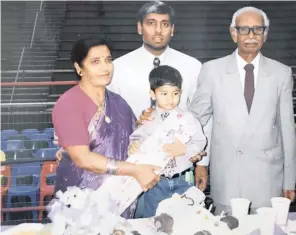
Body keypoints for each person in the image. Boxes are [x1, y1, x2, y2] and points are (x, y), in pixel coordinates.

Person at [188, 6, 296, 214]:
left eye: (257, 29)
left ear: (265, 34)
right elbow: (194, 121)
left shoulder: (281, 73)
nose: (251, 35)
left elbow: (287, 131)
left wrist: (289, 181)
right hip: (229, 177)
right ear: (233, 33)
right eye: (244, 29)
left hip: (268, 179)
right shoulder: (212, 71)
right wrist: (157, 121)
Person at [108, 1, 211, 217]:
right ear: (140, 27)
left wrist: (202, 162)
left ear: (172, 29)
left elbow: (203, 119)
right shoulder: (118, 68)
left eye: (164, 24)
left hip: (180, 166)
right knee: (142, 223)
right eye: (151, 23)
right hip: (137, 166)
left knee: (182, 223)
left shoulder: (193, 66)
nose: (157, 30)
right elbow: (112, 116)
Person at [52, 38, 160, 218]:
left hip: (120, 198)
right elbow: (83, 159)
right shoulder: (69, 104)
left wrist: (146, 125)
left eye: (108, 60)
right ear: (79, 68)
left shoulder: (118, 102)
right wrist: (135, 170)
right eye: (95, 62)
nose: (105, 67)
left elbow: (131, 138)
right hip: (81, 203)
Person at [128, 65, 206, 217]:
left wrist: (186, 150)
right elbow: (137, 137)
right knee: (154, 220)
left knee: (184, 220)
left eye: (175, 93)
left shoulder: (188, 118)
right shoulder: (148, 119)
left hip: (183, 179)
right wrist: (134, 145)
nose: (170, 99)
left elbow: (200, 141)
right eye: (164, 93)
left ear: (181, 93)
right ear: (153, 93)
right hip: (156, 181)